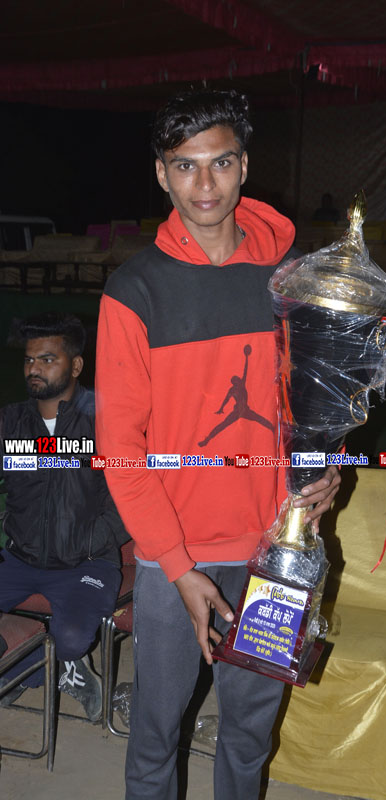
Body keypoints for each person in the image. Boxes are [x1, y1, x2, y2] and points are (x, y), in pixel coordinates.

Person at [95, 90, 341, 800]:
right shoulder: (134, 290)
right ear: (162, 173)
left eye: (221, 163)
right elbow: (121, 453)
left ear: (244, 167)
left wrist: (322, 467)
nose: (205, 184)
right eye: (185, 165)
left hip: (276, 551)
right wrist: (176, 567)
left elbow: (312, 398)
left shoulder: (292, 278)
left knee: (248, 735)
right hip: (176, 554)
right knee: (156, 736)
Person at [0, 312, 128, 721]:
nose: (33, 369)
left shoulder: (106, 421)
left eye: (47, 359)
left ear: (75, 366)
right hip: (19, 558)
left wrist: (93, 538)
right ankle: (33, 670)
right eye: (29, 360)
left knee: (71, 638)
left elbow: (133, 492)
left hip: (86, 561)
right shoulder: (11, 422)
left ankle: (51, 667)